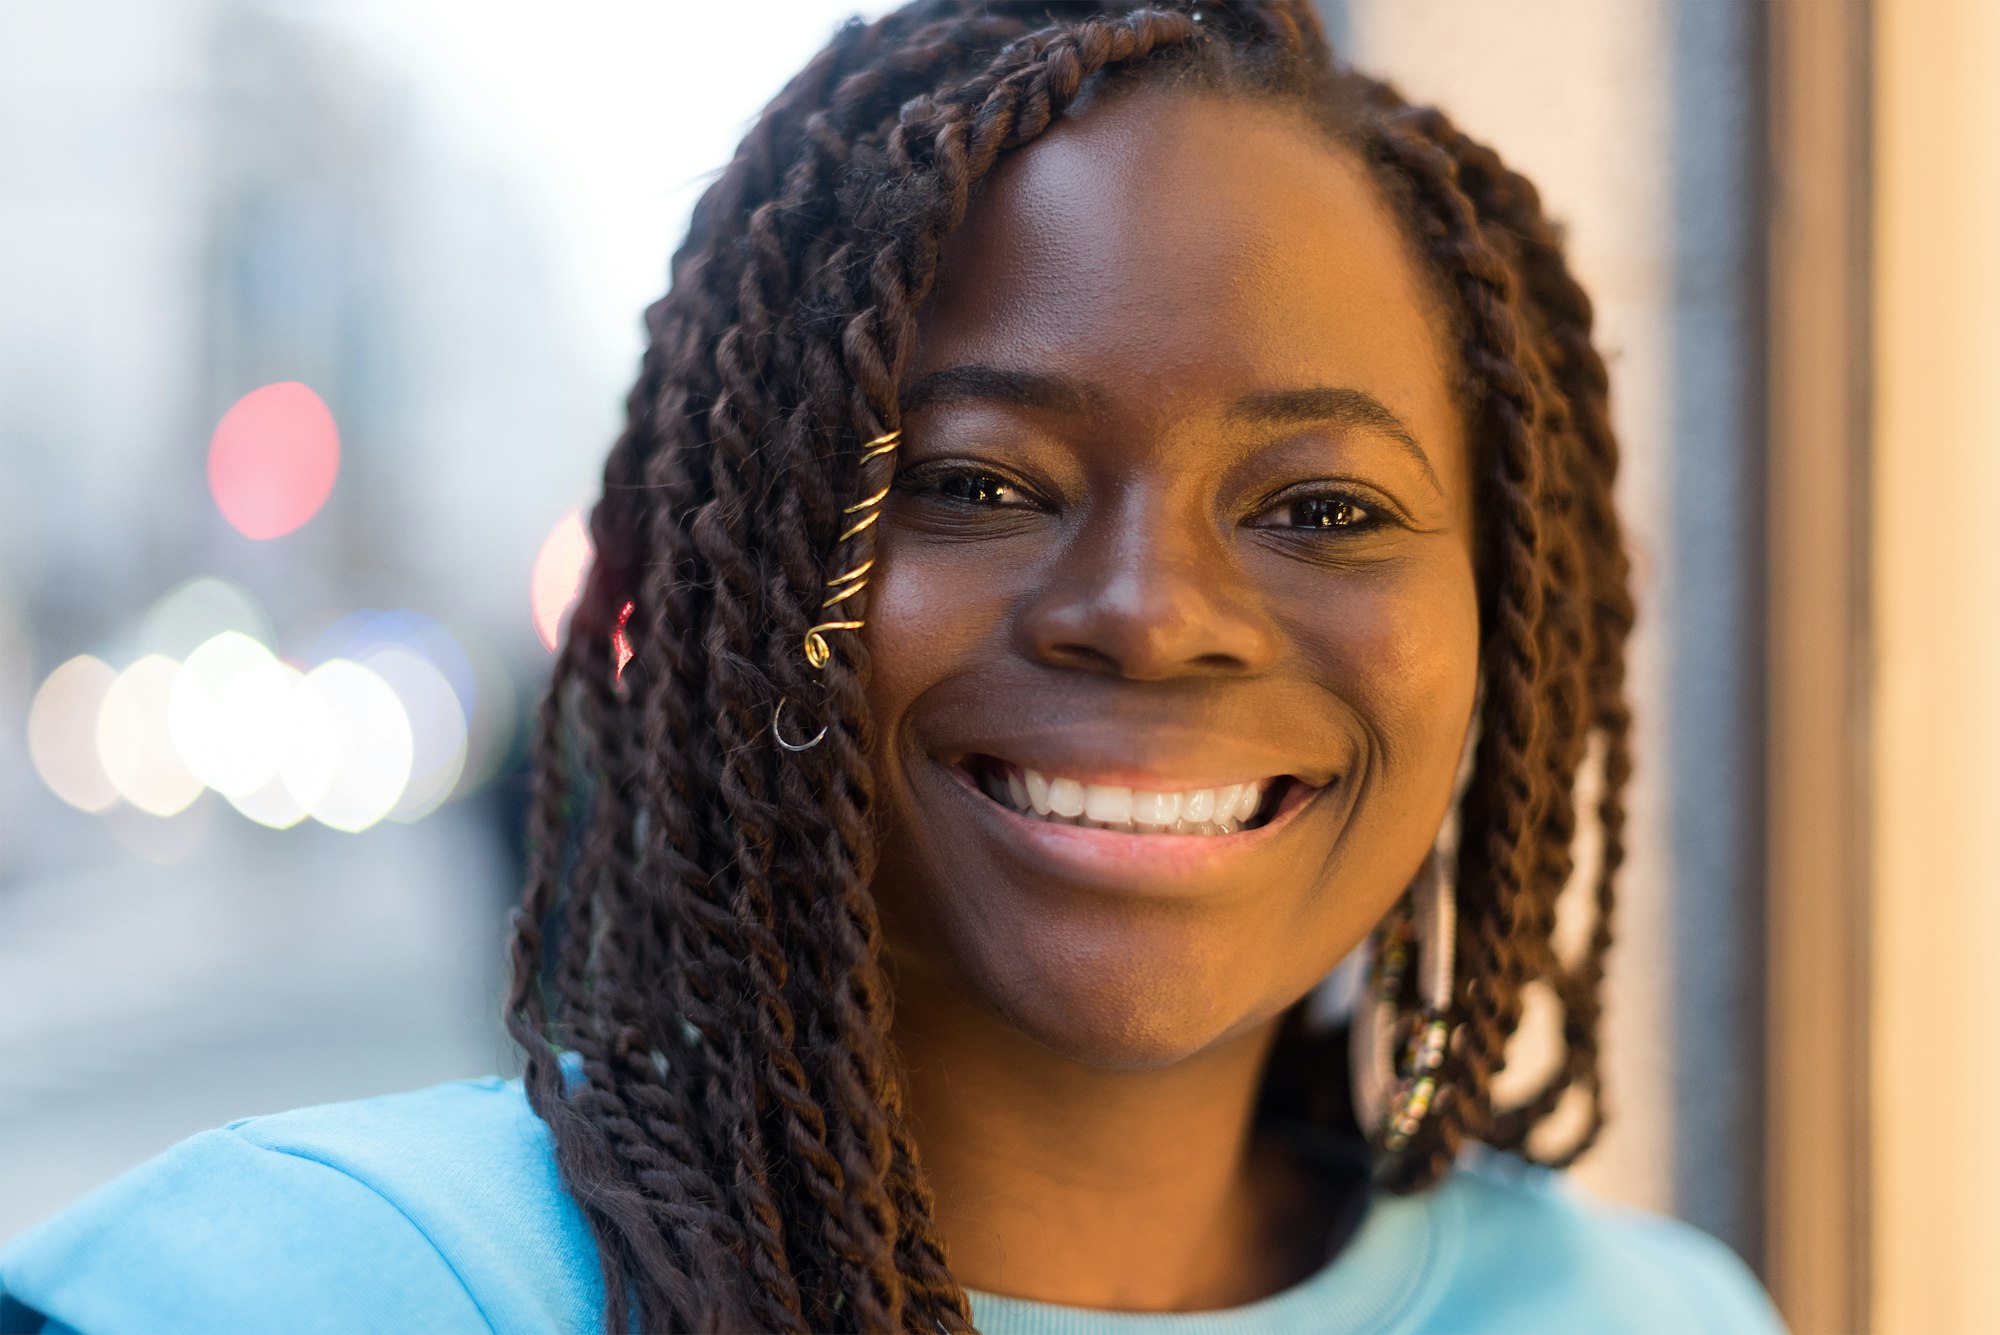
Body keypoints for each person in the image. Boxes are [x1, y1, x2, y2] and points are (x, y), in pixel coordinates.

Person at [0, 3, 1788, 1332]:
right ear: (757, 583)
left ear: (1509, 624)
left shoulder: (1650, 1318)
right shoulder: (295, 1293)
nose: (1152, 611)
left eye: (1322, 506)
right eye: (974, 484)